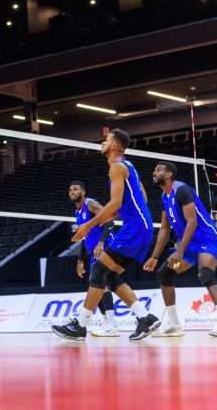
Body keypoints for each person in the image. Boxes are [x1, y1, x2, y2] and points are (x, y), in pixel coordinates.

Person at [53, 129, 160, 341]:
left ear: (115, 146)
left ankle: (80, 325)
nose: (103, 142)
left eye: (107, 139)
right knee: (109, 276)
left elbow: (115, 204)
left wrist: (88, 226)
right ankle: (145, 317)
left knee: (98, 271)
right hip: (141, 226)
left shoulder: (116, 168)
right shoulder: (128, 166)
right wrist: (127, 211)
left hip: (135, 227)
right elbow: (143, 197)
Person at [144, 161, 217, 337]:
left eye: (158, 170)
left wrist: (179, 251)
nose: (154, 173)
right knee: (165, 274)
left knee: (205, 273)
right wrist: (154, 257)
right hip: (189, 244)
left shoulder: (182, 190)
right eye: (154, 170)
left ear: (169, 174)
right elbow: (164, 229)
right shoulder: (164, 197)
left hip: (206, 239)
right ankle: (174, 324)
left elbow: (192, 222)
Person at [68, 181, 118, 337]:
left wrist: (102, 243)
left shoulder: (90, 204)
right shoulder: (77, 213)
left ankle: (111, 324)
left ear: (83, 192)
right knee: (98, 285)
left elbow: (109, 220)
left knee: (101, 285)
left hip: (106, 246)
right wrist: (80, 260)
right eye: (70, 190)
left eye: (75, 189)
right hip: (93, 252)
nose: (72, 192)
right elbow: (84, 236)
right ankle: (108, 323)